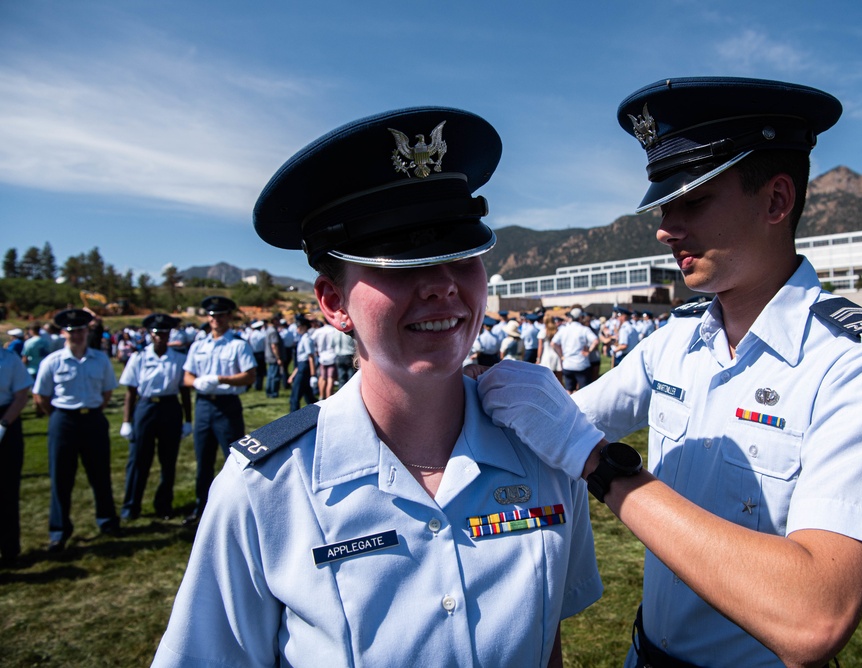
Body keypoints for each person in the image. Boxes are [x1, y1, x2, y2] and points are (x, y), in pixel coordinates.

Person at [479, 77, 862, 667]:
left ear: (775, 201)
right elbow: (572, 417)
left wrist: (601, 467)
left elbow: (815, 614)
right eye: (666, 206)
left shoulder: (861, 362)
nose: (667, 229)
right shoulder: (680, 339)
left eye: (692, 202)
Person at [152, 106, 601, 667]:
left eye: (461, 254)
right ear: (333, 302)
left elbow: (546, 642)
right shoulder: (266, 491)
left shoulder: (543, 452)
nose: (442, 284)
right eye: (400, 262)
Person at [33, 308, 122, 552]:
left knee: (100, 474)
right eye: (73, 331)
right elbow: (41, 396)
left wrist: (91, 411)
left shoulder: (100, 359)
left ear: (87, 331)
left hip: (93, 419)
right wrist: (60, 416)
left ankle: (107, 521)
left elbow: (106, 392)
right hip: (64, 421)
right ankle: (59, 531)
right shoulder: (52, 362)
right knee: (61, 477)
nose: (78, 335)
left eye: (82, 330)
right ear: (64, 333)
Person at [182, 295, 256, 525]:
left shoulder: (238, 344)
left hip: (227, 406)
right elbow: (187, 376)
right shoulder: (198, 345)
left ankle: (238, 510)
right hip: (204, 405)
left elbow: (249, 376)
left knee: (234, 460)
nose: (216, 319)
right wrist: (196, 383)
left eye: (221, 315)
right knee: (203, 458)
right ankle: (201, 507)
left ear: (229, 317)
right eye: (213, 316)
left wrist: (220, 379)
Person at [118, 314, 193, 520]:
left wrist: (188, 420)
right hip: (146, 407)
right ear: (150, 335)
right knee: (138, 459)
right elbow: (130, 392)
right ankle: (131, 506)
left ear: (170, 334)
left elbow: (184, 391)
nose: (160, 337)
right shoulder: (139, 358)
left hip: (170, 407)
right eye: (156, 333)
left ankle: (164, 505)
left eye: (164, 333)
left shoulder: (178, 358)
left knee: (168, 460)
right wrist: (127, 421)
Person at [0, 346, 33, 566]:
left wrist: (3, 424)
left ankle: (10, 549)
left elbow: (21, 395)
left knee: (7, 490)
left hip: (6, 421)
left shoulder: (9, 359)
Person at [551, 306, 598, 392]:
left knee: (569, 390)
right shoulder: (584, 329)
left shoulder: (564, 329)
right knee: (584, 391)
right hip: (581, 364)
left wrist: (561, 356)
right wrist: (589, 351)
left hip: (567, 364)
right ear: (580, 317)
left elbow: (553, 343)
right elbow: (595, 340)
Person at [287, 315, 317, 412]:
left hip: (304, 368)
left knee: (295, 397)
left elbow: (310, 358)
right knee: (308, 396)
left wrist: (313, 375)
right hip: (301, 366)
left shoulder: (306, 339)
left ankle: (293, 419)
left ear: (304, 327)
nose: (297, 328)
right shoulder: (303, 338)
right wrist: (293, 375)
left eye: (299, 326)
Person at [263, 314, 284, 398]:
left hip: (269, 355)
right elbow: (274, 346)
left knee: (270, 375)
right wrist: (278, 357)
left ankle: (269, 391)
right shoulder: (273, 331)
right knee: (274, 376)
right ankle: (273, 392)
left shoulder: (268, 330)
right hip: (273, 357)